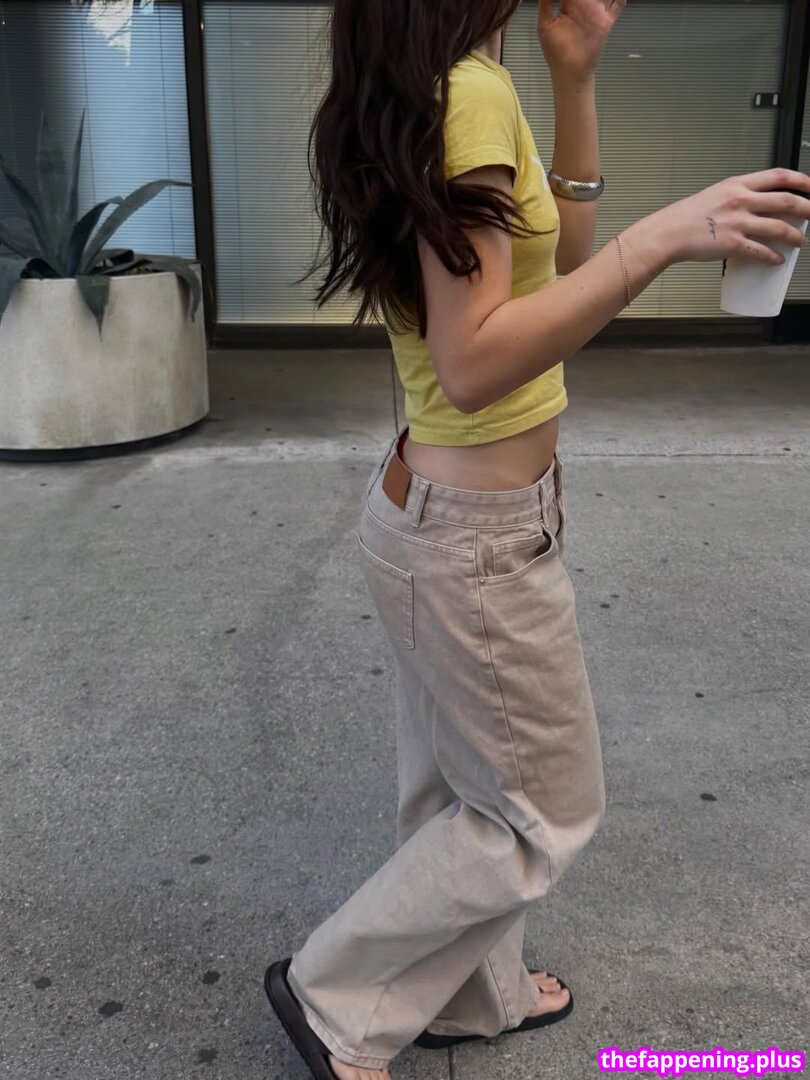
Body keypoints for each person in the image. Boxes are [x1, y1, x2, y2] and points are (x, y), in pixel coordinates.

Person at [264, 2, 810, 1078]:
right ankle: (333, 999)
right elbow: (474, 362)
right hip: (472, 539)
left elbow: (551, 262)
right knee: (542, 812)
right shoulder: (468, 91)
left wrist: (576, 80)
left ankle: (472, 998)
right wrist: (667, 237)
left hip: (437, 519)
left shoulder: (452, 80)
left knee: (460, 793)